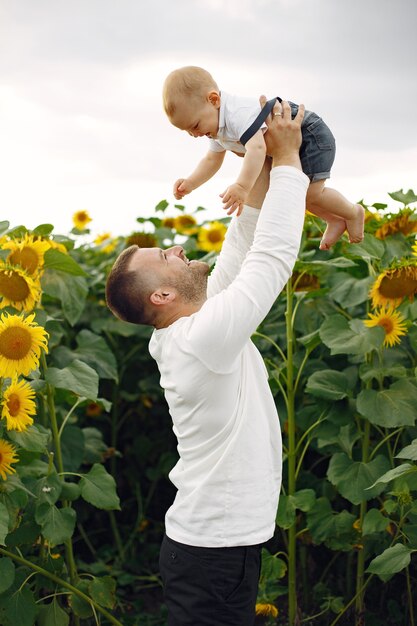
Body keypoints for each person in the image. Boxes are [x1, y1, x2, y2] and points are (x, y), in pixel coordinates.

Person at [105, 99, 309, 626]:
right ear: (161, 297)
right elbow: (272, 259)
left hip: (211, 548)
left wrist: (257, 170)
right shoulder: (200, 338)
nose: (175, 249)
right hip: (213, 553)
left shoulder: (188, 329)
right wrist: (287, 163)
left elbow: (240, 254)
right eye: (164, 259)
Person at [162, 65, 364, 250]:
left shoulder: (236, 114)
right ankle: (335, 219)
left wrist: (242, 186)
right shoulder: (215, 126)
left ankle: (353, 212)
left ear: (214, 100)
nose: (195, 134)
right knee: (301, 194)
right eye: (187, 131)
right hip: (295, 140)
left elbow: (257, 149)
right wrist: (191, 183)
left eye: (195, 126)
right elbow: (211, 160)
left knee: (311, 193)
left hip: (310, 134)